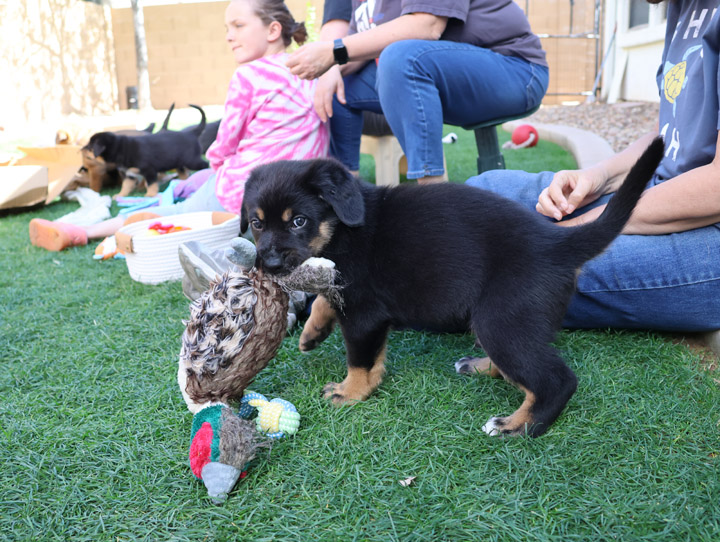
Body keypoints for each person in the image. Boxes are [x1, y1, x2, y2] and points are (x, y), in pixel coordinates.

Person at [465, 0, 720, 335]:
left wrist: (592, 226)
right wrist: (598, 177)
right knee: (483, 192)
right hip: (661, 192)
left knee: (508, 268)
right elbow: (676, 130)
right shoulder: (685, 6)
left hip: (709, 239)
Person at [30, 0, 329, 251]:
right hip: (296, 204)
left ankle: (82, 231)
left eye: (238, 26)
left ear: (273, 30)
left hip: (242, 197)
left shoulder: (249, 76)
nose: (228, 36)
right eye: (227, 28)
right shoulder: (315, 73)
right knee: (185, 195)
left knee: (173, 213)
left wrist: (214, 165)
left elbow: (223, 144)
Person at [286, 0, 548, 184]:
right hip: (437, 72)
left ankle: (435, 202)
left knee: (400, 58)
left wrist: (334, 52)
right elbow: (357, 48)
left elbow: (426, 25)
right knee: (338, 87)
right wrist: (332, 68)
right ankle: (345, 198)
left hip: (514, 69)